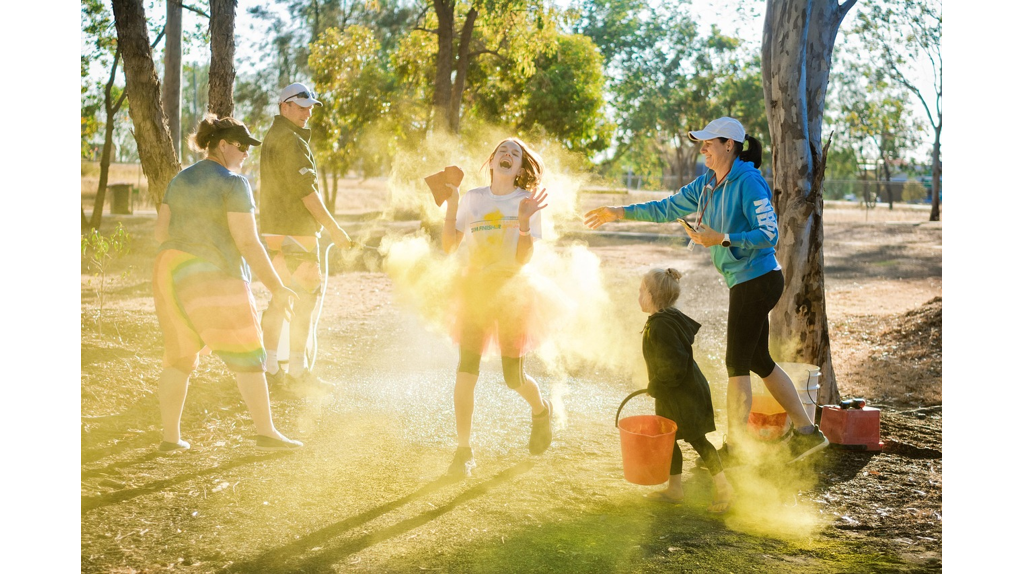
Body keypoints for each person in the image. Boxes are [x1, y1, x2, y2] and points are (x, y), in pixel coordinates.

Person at [584, 117, 828, 463]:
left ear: (730, 145)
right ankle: (807, 432)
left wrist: (722, 238)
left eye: (709, 143)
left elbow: (769, 235)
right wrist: (618, 212)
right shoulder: (706, 185)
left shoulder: (749, 182)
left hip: (758, 280)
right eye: (702, 142)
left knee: (736, 365)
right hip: (745, 282)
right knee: (759, 361)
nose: (703, 149)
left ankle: (735, 448)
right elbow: (666, 207)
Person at [153, 115, 303, 452]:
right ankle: (267, 433)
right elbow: (248, 243)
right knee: (248, 352)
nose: (247, 153)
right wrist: (278, 287)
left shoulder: (179, 180)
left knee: (179, 356)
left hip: (170, 272)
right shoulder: (233, 184)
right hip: (214, 274)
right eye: (241, 146)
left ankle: (170, 438)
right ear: (222, 145)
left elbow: (160, 233)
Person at [440, 137, 554, 477]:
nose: (507, 155)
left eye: (515, 153)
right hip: (475, 291)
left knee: (512, 376)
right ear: (491, 161)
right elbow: (449, 247)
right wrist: (452, 204)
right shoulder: (473, 199)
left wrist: (522, 222)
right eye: (502, 151)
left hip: (511, 293)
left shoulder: (526, 202)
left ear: (520, 168)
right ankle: (463, 451)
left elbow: (522, 260)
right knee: (466, 371)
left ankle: (540, 410)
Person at [259, 82, 352, 389]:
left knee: (280, 297)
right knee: (303, 300)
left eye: (310, 107)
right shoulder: (290, 140)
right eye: (301, 107)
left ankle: (273, 368)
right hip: (295, 233)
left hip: (275, 231)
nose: (307, 113)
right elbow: (306, 192)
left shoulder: (277, 136)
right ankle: (295, 371)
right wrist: (334, 229)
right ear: (284, 106)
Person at [638, 267, 733, 513]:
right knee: (669, 440)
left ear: (652, 296)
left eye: (641, 291)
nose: (638, 297)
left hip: (686, 395)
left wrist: (655, 385)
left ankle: (724, 488)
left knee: (698, 440)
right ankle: (675, 489)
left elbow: (675, 366)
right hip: (674, 394)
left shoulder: (662, 326)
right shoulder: (663, 320)